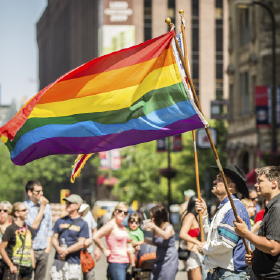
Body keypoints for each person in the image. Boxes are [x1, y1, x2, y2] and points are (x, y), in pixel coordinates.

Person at [195, 163, 251, 280]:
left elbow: (227, 243)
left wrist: (205, 248)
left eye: (219, 179)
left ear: (230, 186)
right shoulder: (224, 207)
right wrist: (204, 214)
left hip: (230, 274)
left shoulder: (234, 208)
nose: (214, 181)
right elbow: (209, 236)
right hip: (218, 273)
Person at [234, 166, 280, 279]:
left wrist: (246, 233)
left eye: (260, 181)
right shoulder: (272, 206)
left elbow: (273, 247)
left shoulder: (277, 207)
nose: (255, 185)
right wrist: (258, 256)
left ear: (274, 183)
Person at [51, 194, 89, 280]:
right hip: (58, 259)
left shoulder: (83, 224)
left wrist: (66, 251)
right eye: (66, 202)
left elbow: (81, 243)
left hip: (73, 262)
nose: (66, 204)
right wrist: (58, 249)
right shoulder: (60, 221)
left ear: (77, 206)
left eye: (70, 203)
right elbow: (54, 238)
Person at [93, 202, 132, 280]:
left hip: (126, 262)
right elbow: (95, 236)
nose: (123, 214)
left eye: (125, 212)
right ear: (115, 211)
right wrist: (104, 250)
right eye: (120, 211)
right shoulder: (111, 225)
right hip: (116, 263)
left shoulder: (122, 226)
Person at [23, 180, 52, 280]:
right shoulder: (24, 208)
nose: (41, 194)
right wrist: (42, 207)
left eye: (42, 191)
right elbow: (33, 226)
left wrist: (48, 248)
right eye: (38, 191)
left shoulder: (47, 207)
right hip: (28, 250)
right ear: (29, 192)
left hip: (43, 250)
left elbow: (49, 229)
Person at [0, 202, 35, 280]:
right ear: (17, 213)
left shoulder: (29, 229)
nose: (27, 212)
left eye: (26, 210)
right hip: (15, 267)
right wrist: (10, 265)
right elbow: (1, 248)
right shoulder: (10, 229)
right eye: (24, 210)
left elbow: (31, 248)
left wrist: (33, 265)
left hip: (27, 268)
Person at [144, 205, 178, 280]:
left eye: (152, 216)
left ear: (159, 217)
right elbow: (156, 243)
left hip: (169, 259)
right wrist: (144, 239)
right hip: (159, 258)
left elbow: (165, 236)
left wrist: (154, 227)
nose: (151, 219)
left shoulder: (168, 227)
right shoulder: (157, 226)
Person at [179, 195, 203, 280]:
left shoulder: (194, 216)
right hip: (192, 253)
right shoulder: (190, 216)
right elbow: (182, 234)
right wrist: (198, 242)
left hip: (195, 253)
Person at [78, 203, 101, 280]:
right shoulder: (71, 216)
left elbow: (94, 230)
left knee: (89, 277)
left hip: (87, 252)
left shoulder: (88, 214)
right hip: (74, 254)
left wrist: (97, 248)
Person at [0, 201, 13, 278]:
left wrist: (2, 229)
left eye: (5, 211)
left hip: (6, 259)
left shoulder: (12, 226)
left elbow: (10, 242)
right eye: (0, 210)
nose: (1, 213)